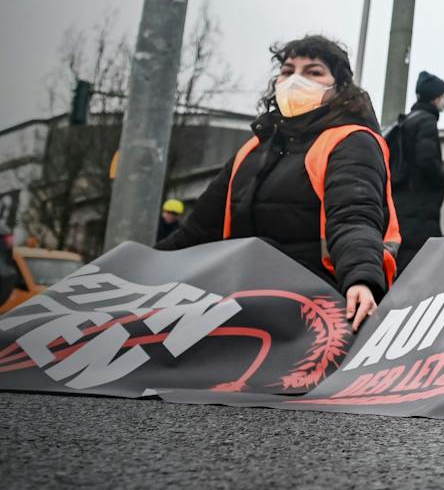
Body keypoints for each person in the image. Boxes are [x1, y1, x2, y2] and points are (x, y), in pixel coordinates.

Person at [158, 35, 398, 330]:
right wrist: (140, 270)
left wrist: (361, 279)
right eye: (287, 71)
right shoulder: (253, 149)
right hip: (236, 306)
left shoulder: (350, 141)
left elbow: (353, 218)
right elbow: (197, 232)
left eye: (313, 72)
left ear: (339, 88)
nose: (296, 80)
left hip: (313, 314)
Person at [389, 71, 444, 272]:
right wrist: (443, 178)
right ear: (436, 97)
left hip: (402, 203)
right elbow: (427, 160)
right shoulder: (426, 122)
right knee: (419, 262)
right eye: (442, 95)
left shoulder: (406, 121)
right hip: (420, 205)